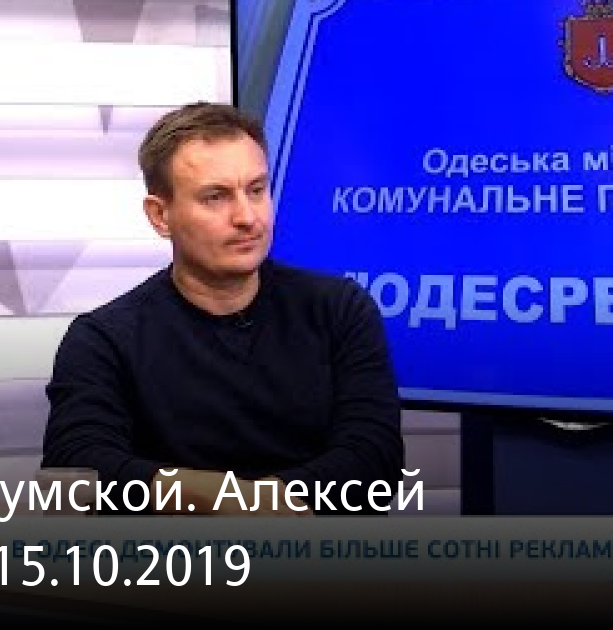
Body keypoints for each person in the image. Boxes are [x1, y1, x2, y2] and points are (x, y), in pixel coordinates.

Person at [40, 102, 405, 516]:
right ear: (160, 216)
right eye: (215, 197)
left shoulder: (339, 309)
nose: (247, 217)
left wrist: (264, 504)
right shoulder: (103, 339)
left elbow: (374, 459)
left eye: (256, 190)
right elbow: (76, 468)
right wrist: (245, 503)